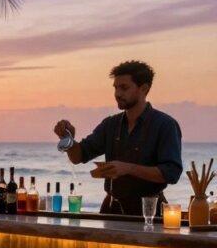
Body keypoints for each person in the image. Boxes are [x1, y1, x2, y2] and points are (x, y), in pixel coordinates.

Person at [54, 61, 182, 216]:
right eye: (115, 88)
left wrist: (128, 168)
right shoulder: (111, 124)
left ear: (144, 88)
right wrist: (68, 139)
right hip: (111, 210)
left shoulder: (165, 125)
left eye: (124, 88)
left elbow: (171, 173)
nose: (117, 94)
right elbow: (78, 156)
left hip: (149, 211)